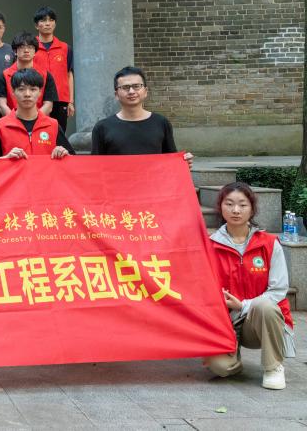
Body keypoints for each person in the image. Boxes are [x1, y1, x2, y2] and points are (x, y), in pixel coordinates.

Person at [205, 182, 295, 390]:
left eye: (242, 205)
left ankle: (273, 367)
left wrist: (243, 305)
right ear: (220, 207)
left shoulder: (269, 243)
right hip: (226, 321)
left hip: (260, 320)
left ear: (252, 208)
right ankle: (233, 358)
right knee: (220, 368)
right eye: (229, 204)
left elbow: (278, 290)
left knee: (265, 305)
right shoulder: (210, 245)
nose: (236, 210)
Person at [91, 66, 194, 165]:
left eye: (136, 86)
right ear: (116, 94)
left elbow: (170, 161)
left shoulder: (161, 123)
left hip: (153, 178)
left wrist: (182, 164)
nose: (131, 91)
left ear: (145, 91)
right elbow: (96, 167)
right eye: (125, 87)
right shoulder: (102, 127)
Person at [0, 69, 74, 160]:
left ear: (40, 92)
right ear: (13, 92)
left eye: (33, 89)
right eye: (21, 89)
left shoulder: (53, 126)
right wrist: (5, 159)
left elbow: (73, 161)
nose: (27, 94)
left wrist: (64, 154)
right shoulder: (0, 127)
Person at [0, 33, 57, 118]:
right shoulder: (4, 75)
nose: (26, 50)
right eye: (22, 47)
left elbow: (48, 105)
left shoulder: (46, 75)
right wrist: (16, 121)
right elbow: (1, 105)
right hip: (11, 122)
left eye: (30, 47)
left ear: (35, 52)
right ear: (15, 51)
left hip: (39, 121)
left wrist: (34, 120)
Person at [32, 6, 74, 131]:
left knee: (59, 133)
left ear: (55, 23)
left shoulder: (65, 48)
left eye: (51, 20)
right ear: (36, 25)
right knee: (38, 133)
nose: (47, 24)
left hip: (60, 99)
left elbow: (69, 75)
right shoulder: (30, 47)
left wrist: (70, 101)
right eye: (43, 20)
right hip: (37, 98)